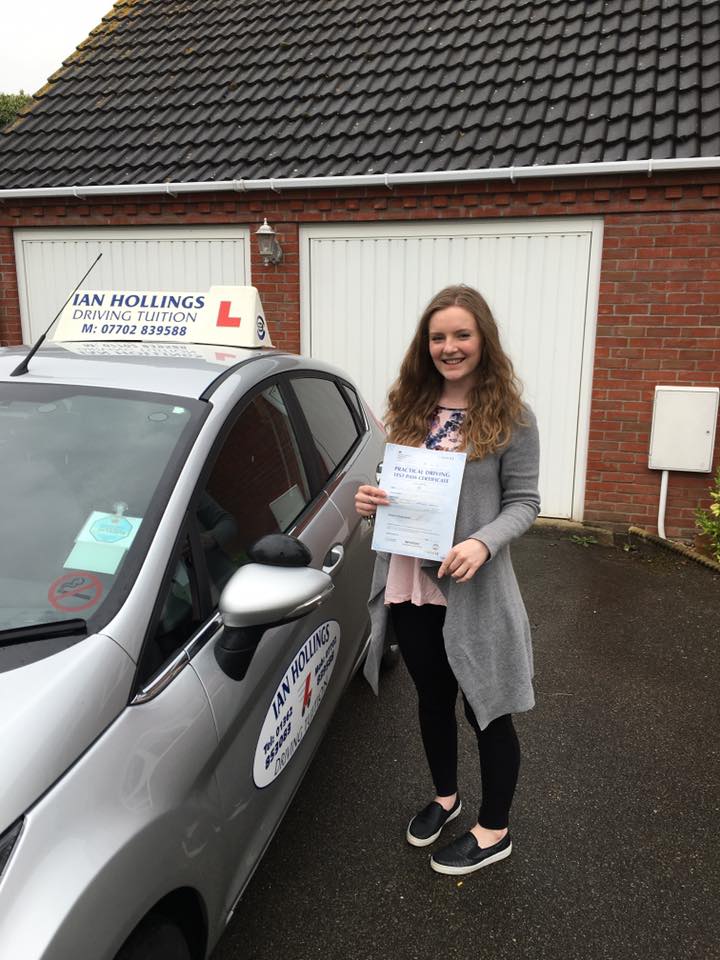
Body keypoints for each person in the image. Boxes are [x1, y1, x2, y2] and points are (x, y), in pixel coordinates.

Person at [355, 284, 540, 876]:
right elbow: (397, 486)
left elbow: (525, 502)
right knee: (432, 699)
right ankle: (446, 797)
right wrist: (372, 502)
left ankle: (494, 830)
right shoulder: (410, 408)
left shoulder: (512, 418)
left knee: (487, 707)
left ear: (483, 339)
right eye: (438, 337)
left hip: (472, 588)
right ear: (425, 344)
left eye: (462, 334)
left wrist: (483, 542)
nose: (449, 347)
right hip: (412, 582)